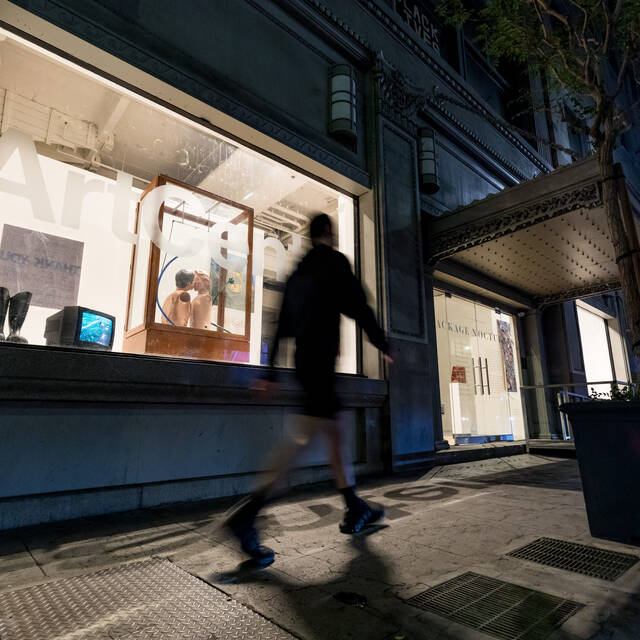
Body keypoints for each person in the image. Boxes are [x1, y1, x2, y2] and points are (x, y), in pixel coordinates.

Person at [224, 213, 392, 566]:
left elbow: (280, 322)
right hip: (321, 365)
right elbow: (359, 307)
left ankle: (353, 506)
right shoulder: (333, 263)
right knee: (301, 443)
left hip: (305, 365)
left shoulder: (298, 273)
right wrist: (383, 343)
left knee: (334, 434)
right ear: (329, 234)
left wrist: (271, 372)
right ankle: (247, 515)